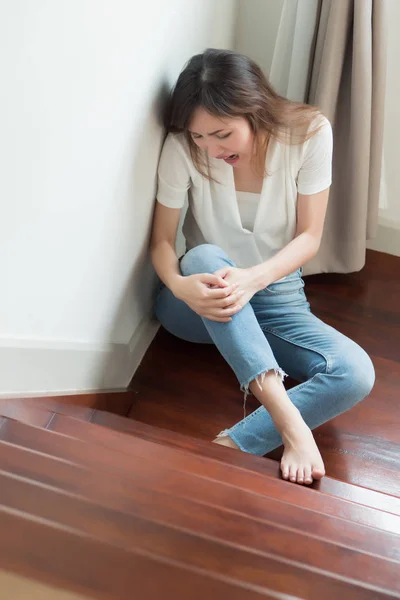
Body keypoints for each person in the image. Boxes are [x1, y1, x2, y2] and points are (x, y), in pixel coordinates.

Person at [150, 48, 375, 485]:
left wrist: (254, 279)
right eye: (199, 137)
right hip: (200, 302)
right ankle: (290, 424)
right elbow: (161, 242)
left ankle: (232, 445)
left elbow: (309, 237)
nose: (210, 149)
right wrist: (179, 287)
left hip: (275, 292)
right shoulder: (181, 150)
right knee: (203, 258)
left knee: (355, 373)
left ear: (254, 110)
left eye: (221, 134)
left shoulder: (309, 133)